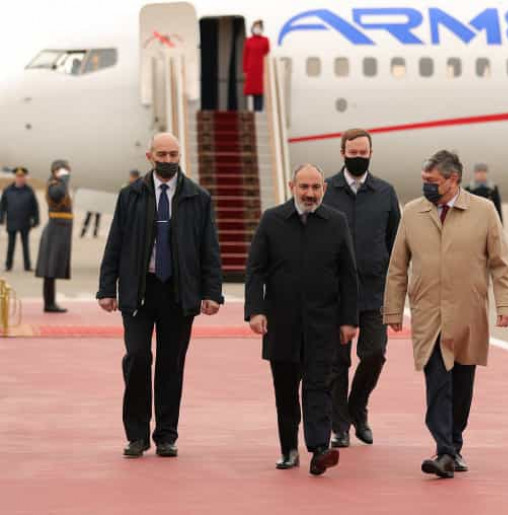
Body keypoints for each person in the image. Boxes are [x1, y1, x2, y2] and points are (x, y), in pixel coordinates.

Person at [383, 150, 508, 478]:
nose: (426, 186)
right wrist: (392, 309)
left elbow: (501, 262)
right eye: (424, 180)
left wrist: (506, 304)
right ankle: (444, 450)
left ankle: (453, 444)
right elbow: (397, 266)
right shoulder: (412, 212)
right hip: (428, 314)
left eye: (432, 181)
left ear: (452, 180)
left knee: (461, 385)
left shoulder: (483, 211)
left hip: (468, 313)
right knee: (437, 382)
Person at [96, 132, 224, 458]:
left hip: (179, 293)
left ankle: (166, 435)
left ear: (180, 156)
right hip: (139, 290)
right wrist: (107, 288)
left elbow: (209, 249)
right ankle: (137, 435)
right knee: (138, 358)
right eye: (162, 154)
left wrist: (212, 292)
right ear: (150, 156)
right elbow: (115, 243)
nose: (168, 160)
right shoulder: (130, 195)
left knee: (171, 365)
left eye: (173, 155)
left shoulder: (198, 197)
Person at [245, 163, 358, 476]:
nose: (310, 193)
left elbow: (348, 275)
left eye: (316, 187)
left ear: (324, 189)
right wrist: (255, 310)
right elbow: (255, 269)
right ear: (292, 186)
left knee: (318, 386)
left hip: (323, 324)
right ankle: (289, 449)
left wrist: (348, 319)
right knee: (285, 391)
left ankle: (319, 449)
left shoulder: (336, 222)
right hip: (281, 323)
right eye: (304, 187)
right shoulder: (272, 220)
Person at [322, 129, 401, 448]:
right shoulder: (326, 190)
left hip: (374, 291)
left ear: (371, 153)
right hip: (335, 292)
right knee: (336, 362)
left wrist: (395, 285)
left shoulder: (385, 192)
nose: (358, 158)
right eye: (353, 153)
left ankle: (357, 406)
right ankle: (339, 426)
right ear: (342, 153)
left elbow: (396, 242)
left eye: (363, 153)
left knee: (374, 353)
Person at [35, 159, 74, 313]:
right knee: (50, 269)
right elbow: (57, 194)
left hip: (60, 230)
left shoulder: (58, 183)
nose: (67, 174)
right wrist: (63, 179)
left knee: (52, 269)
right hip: (55, 230)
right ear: (56, 171)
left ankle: (50, 302)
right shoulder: (54, 184)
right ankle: (49, 304)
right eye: (64, 170)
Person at [1, 167, 39, 271]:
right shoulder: (8, 190)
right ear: (15, 177)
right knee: (11, 245)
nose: (20, 179)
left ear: (25, 178)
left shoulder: (29, 191)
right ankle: (8, 265)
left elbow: (34, 207)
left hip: (25, 222)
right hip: (12, 221)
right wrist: (1, 218)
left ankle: (27, 266)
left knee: (25, 245)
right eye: (18, 176)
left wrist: (36, 219)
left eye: (22, 176)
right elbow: (2, 206)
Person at [243, 19, 271, 112]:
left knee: (260, 92)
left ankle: (258, 111)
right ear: (252, 28)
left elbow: (266, 52)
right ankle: (253, 111)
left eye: (259, 27)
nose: (257, 29)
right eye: (255, 27)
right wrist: (245, 70)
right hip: (251, 69)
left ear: (262, 29)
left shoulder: (265, 40)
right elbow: (245, 56)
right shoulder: (248, 41)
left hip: (260, 69)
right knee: (252, 92)